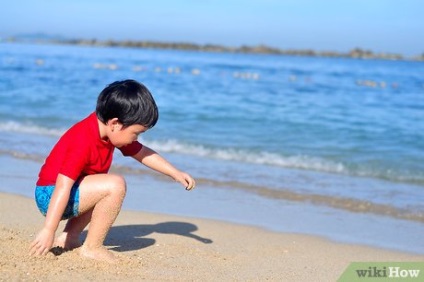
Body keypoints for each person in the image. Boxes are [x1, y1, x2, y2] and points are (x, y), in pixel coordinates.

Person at [29, 79, 195, 262]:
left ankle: (69, 238)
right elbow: (62, 185)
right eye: (136, 133)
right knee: (114, 185)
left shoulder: (108, 130)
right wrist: (48, 229)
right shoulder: (83, 139)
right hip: (51, 194)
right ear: (115, 123)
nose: (135, 139)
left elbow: (143, 153)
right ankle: (92, 248)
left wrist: (175, 173)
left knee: (103, 186)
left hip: (69, 192)